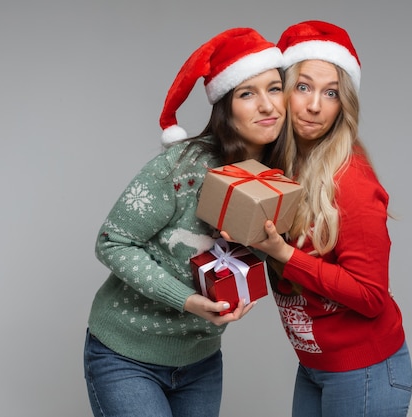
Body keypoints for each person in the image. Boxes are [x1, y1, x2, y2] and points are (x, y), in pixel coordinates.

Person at [83, 28, 286, 417]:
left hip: (201, 361)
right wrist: (188, 301)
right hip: (126, 354)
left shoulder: (282, 177)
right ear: (225, 105)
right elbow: (112, 242)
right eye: (247, 93)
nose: (266, 106)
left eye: (274, 89)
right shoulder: (182, 167)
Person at [229, 20, 412, 416]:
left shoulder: (351, 180)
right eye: (304, 86)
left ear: (342, 104)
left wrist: (284, 254)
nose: (315, 105)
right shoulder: (279, 169)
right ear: (283, 92)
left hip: (365, 372)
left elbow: (371, 296)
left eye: (331, 93)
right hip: (315, 366)